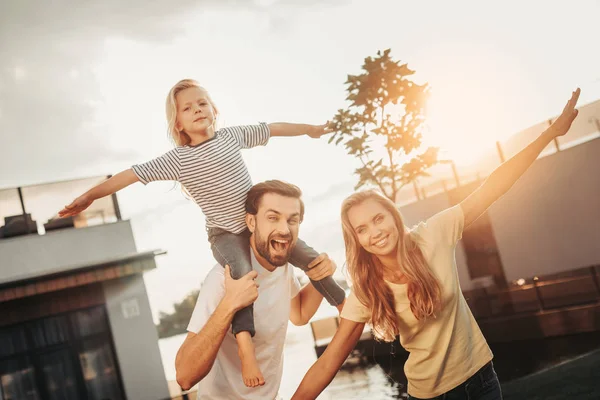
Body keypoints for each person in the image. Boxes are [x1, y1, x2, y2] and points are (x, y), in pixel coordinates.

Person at [291, 88, 581, 400]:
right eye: (361, 229)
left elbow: (494, 186)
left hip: (483, 381)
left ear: (393, 215)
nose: (374, 232)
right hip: (432, 395)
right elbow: (330, 360)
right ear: (357, 241)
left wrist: (551, 132)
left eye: (378, 219)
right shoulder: (367, 286)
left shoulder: (433, 234)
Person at [58, 79, 346, 387]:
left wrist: (311, 129)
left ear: (214, 109)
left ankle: (345, 306)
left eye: (202, 103)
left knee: (310, 256)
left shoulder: (232, 136)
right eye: (187, 107)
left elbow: (273, 128)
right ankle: (247, 351)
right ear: (178, 122)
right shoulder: (178, 160)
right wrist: (90, 196)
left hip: (257, 226)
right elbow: (130, 175)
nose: (197, 109)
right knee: (242, 277)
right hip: (225, 234)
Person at [175, 180, 337, 399]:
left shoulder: (283, 266)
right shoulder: (222, 278)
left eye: (293, 220)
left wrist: (320, 274)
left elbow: (299, 314)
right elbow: (185, 376)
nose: (284, 229)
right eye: (273, 218)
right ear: (251, 222)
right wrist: (230, 303)